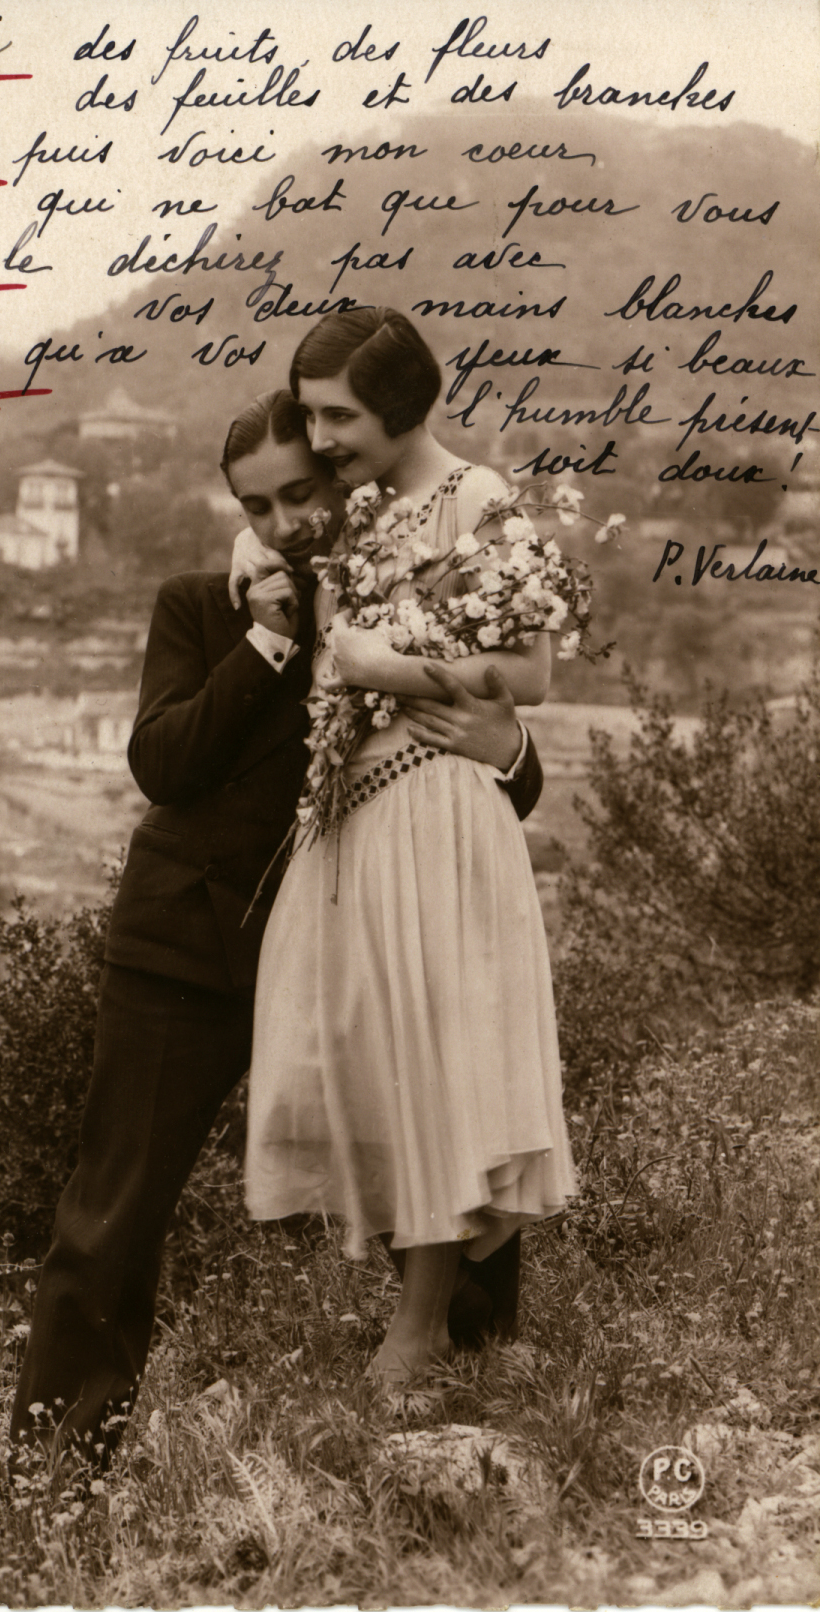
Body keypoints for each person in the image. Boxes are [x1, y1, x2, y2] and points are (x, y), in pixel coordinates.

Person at [8, 389, 545, 1465]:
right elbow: (163, 764)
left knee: (440, 1132)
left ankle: (473, 1397)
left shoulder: (404, 607)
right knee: (114, 1206)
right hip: (184, 948)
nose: (287, 523)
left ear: (346, 477)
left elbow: (500, 787)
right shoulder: (199, 604)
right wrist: (264, 638)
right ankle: (53, 1467)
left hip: (355, 946)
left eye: (303, 493)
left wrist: (507, 746)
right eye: (258, 507)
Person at [242, 312, 578, 1385]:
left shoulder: (478, 498)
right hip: (355, 816)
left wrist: (384, 666)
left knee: (434, 1056)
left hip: (437, 807)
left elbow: (531, 673)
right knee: (358, 1055)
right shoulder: (356, 512)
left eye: (339, 415)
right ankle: (437, 1312)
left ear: (399, 405)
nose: (321, 437)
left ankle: (422, 1327)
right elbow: (277, 553)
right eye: (313, 416)